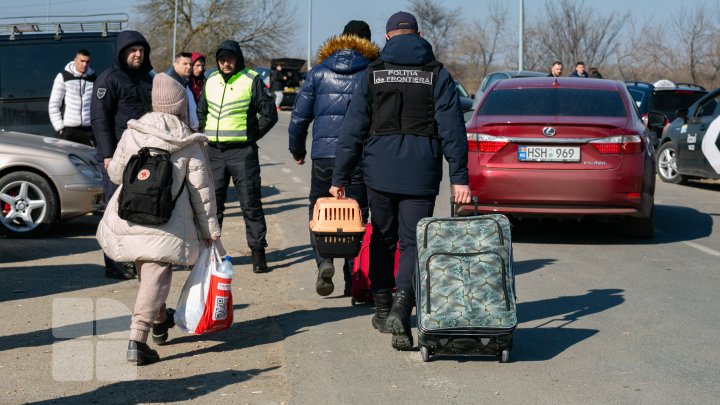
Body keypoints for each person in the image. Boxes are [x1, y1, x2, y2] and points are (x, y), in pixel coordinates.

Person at [329, 11, 472, 350]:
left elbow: (352, 129)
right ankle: (402, 306)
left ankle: (382, 309)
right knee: (412, 242)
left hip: (378, 170)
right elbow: (453, 130)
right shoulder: (437, 74)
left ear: (389, 37)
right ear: (419, 34)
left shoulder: (373, 73)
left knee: (381, 237)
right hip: (421, 172)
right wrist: (460, 178)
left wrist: (339, 177)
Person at [96, 72, 222, 365]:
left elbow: (115, 174)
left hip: (131, 214)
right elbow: (201, 193)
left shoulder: (133, 132)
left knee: (149, 272)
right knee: (156, 274)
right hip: (166, 220)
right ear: (179, 106)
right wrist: (210, 230)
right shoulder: (188, 141)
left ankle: (159, 320)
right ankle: (137, 340)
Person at [288, 20, 379, 297]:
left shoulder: (317, 73)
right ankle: (354, 277)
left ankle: (324, 260)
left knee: (319, 210)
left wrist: (298, 150)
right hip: (360, 155)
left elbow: (299, 118)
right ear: (368, 42)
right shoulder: (373, 73)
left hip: (325, 156)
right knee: (358, 214)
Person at [197, 40, 278, 273]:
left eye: (230, 59)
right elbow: (201, 110)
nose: (226, 63)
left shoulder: (251, 80)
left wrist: (251, 135)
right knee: (213, 207)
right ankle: (210, 254)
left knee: (250, 205)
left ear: (238, 58)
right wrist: (205, 131)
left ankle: (258, 254)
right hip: (214, 152)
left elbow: (269, 113)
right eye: (222, 59)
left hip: (243, 153)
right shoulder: (210, 80)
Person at [92, 30, 153, 280]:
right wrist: (107, 154)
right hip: (117, 156)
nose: (137, 54)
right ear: (122, 52)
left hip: (146, 156)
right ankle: (114, 264)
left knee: (141, 208)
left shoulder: (148, 79)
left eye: (141, 50)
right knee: (114, 211)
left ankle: (137, 260)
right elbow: (99, 120)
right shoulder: (108, 79)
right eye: (132, 50)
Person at [48, 49, 96, 146]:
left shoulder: (94, 78)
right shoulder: (63, 77)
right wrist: (60, 128)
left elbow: (97, 105)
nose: (85, 64)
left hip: (88, 130)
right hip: (69, 130)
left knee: (89, 160)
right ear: (75, 60)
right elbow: (54, 105)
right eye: (82, 61)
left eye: (87, 61)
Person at [166, 51, 199, 130]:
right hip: (179, 132)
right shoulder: (170, 83)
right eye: (185, 64)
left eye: (190, 64)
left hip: (190, 131)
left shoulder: (187, 81)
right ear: (175, 64)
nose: (189, 67)